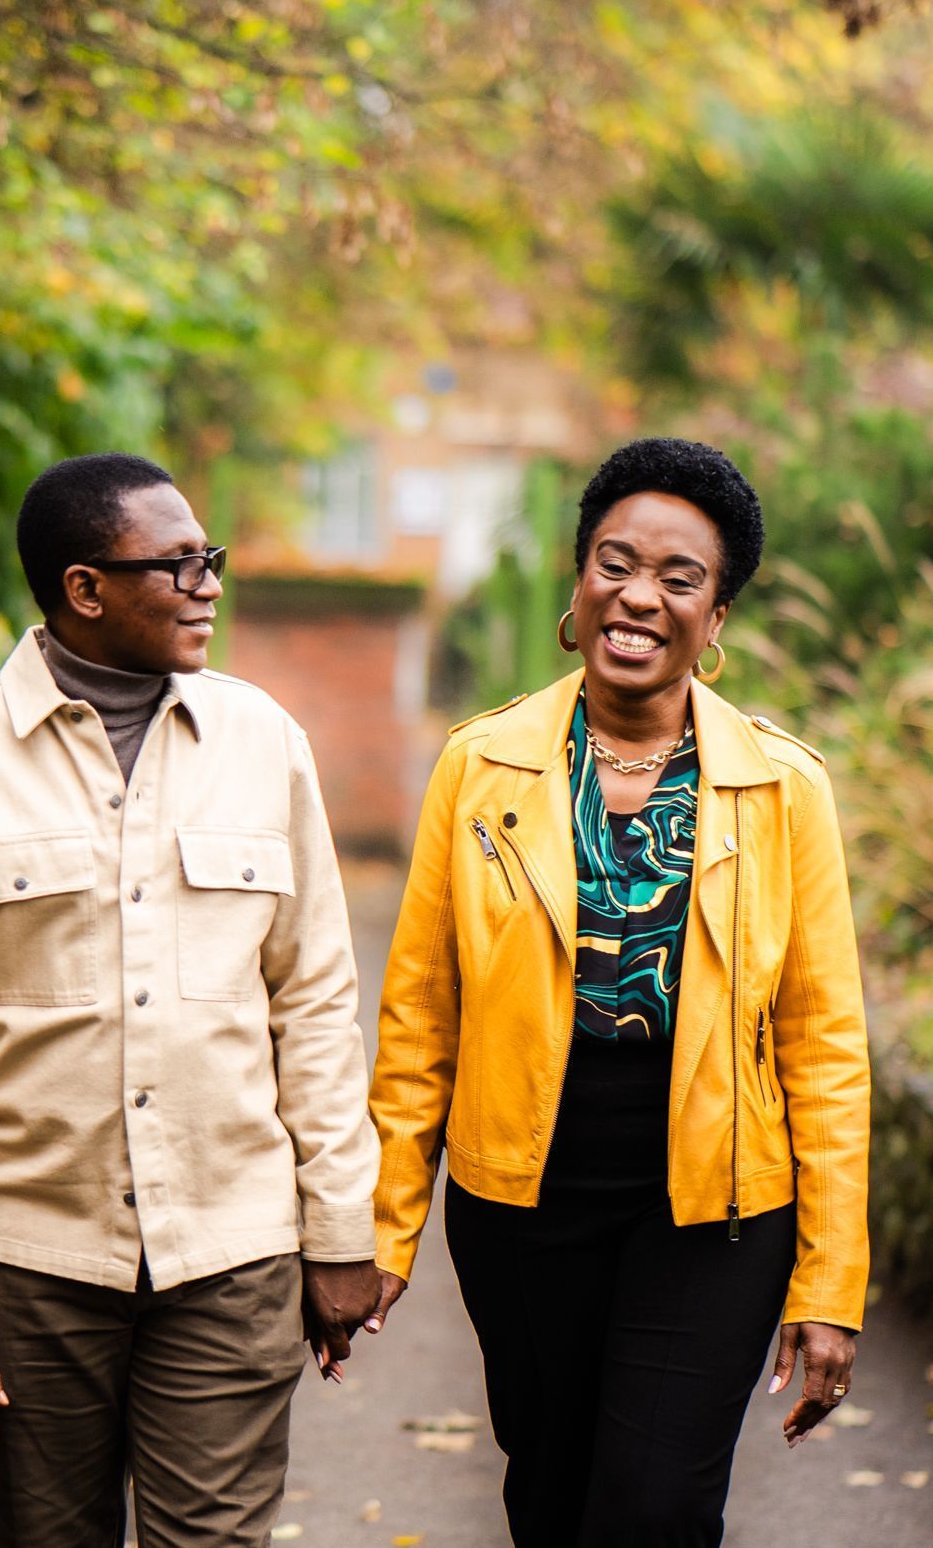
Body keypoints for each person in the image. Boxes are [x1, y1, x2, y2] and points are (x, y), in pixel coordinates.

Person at [0, 452, 381, 1548]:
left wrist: (338, 1229)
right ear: (84, 587)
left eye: (211, 560)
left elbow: (316, 1001)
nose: (207, 584)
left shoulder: (264, 744)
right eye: (177, 564)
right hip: (32, 1267)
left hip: (231, 1251)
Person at [364, 437, 869, 1548]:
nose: (638, 594)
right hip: (520, 1197)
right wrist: (381, 1227)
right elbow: (419, 1013)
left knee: (654, 1506)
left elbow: (822, 1042)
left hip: (717, 1205)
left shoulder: (783, 786)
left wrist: (830, 1279)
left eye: (677, 576)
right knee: (549, 1494)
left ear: (716, 611)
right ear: (579, 579)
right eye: (613, 560)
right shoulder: (480, 764)